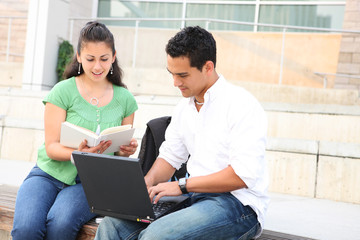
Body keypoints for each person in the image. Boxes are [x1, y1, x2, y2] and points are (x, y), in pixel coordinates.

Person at [95, 26, 269, 240]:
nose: (175, 83)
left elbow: (242, 175)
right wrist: (144, 188)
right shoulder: (184, 108)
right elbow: (169, 157)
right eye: (172, 74)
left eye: (182, 75)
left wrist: (182, 185)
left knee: (155, 237)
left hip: (237, 206)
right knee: (112, 225)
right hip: (194, 198)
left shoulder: (241, 105)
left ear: (208, 67)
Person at [11, 21, 138, 240]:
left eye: (104, 59)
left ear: (114, 56)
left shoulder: (125, 99)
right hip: (47, 175)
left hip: (91, 182)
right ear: (79, 56)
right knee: (26, 229)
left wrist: (125, 151)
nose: (97, 66)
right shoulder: (63, 91)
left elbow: (118, 154)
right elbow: (51, 147)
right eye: (90, 59)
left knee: (60, 225)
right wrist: (78, 155)